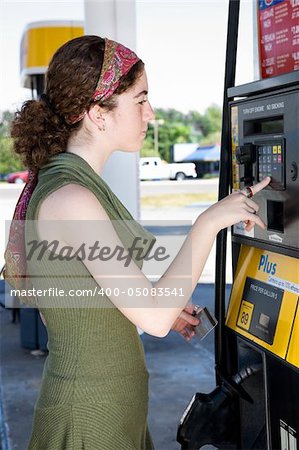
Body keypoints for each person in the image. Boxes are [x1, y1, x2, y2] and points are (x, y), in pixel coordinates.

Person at [7, 35, 270, 450]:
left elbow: (77, 304)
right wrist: (208, 223)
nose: (151, 113)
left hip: (109, 406)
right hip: (90, 417)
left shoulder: (70, 184)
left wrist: (157, 299)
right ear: (98, 113)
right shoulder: (73, 197)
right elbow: (153, 318)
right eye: (140, 98)